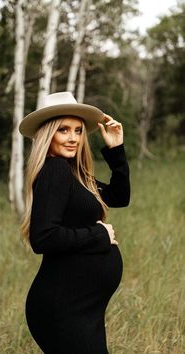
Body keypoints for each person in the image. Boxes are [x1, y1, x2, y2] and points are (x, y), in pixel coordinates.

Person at [19, 91, 130, 354]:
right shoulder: (55, 170)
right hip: (65, 308)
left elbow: (119, 197)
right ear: (48, 134)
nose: (73, 138)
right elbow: (43, 237)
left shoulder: (74, 175)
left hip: (82, 307)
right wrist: (98, 235)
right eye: (63, 130)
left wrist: (116, 150)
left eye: (78, 131)